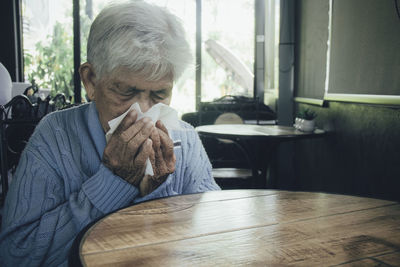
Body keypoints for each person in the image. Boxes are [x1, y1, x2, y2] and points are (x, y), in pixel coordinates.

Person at [0, 1, 220, 266]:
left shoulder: (186, 139)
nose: (143, 112)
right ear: (91, 81)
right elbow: (16, 256)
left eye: (160, 94)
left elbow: (216, 237)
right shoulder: (55, 136)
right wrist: (114, 181)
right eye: (126, 92)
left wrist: (155, 196)